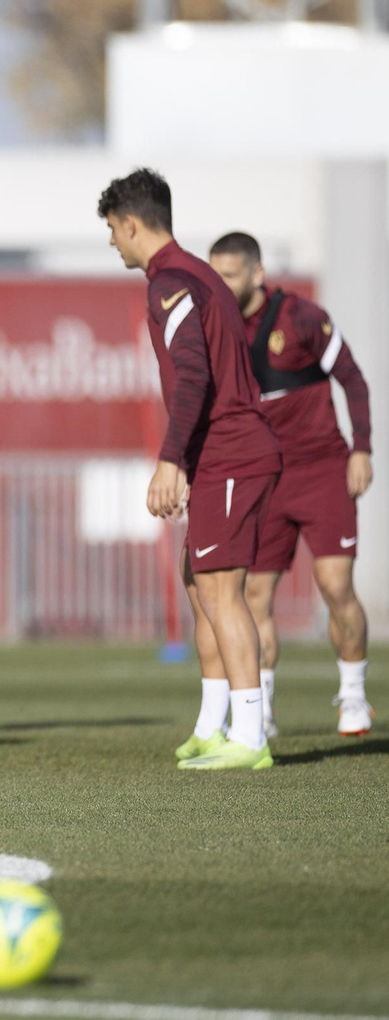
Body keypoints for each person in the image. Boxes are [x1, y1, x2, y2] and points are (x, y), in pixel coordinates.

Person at [99, 168, 283, 771]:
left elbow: (195, 375)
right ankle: (212, 724)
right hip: (224, 450)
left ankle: (251, 737)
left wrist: (170, 460)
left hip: (229, 449)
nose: (111, 243)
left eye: (111, 230)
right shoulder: (195, 274)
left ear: (131, 224)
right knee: (198, 585)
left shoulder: (171, 282)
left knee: (224, 594)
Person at [208, 231, 373, 738]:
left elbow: (354, 379)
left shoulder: (302, 317)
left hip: (323, 470)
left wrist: (361, 448)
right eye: (215, 274)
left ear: (257, 273)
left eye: (230, 275)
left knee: (335, 586)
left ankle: (352, 697)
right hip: (266, 478)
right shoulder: (218, 326)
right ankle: (264, 710)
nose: (221, 284)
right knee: (254, 594)